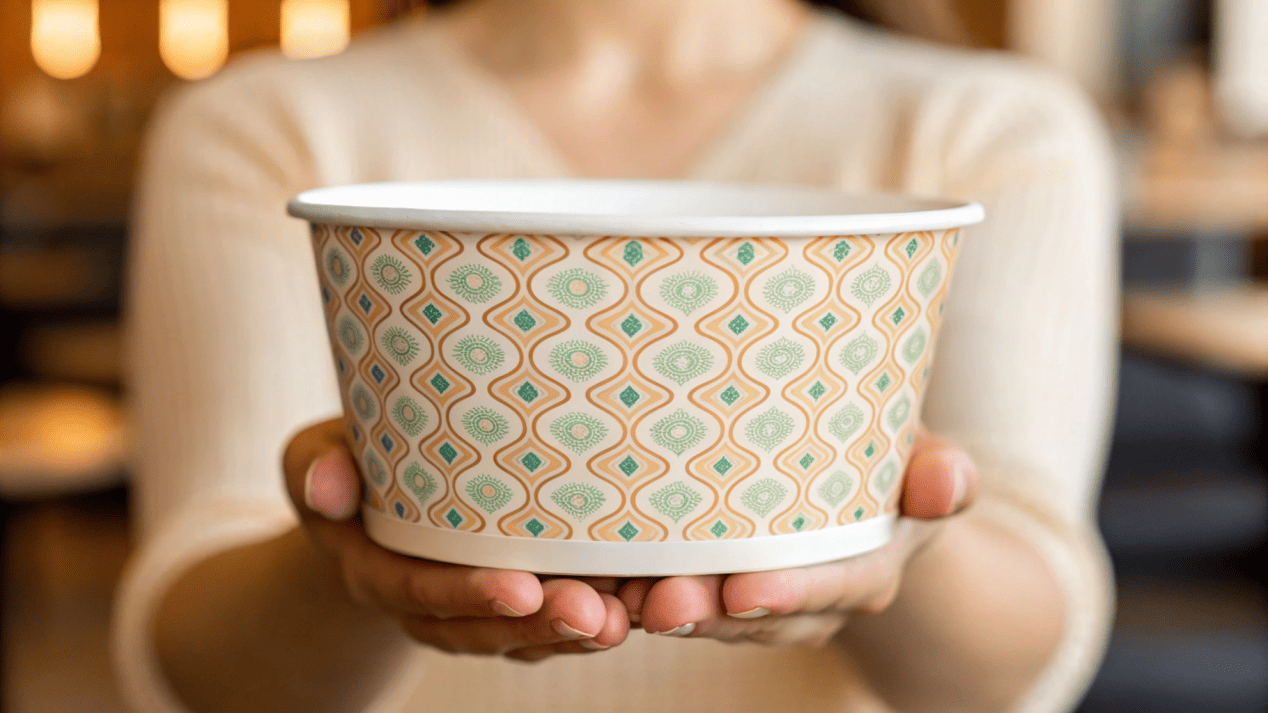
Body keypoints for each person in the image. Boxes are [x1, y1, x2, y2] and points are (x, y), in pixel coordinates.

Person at [116, 0, 1118, 711]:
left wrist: (892, 547)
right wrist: (339, 566)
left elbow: (1014, 665)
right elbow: (201, 673)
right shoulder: (262, 123)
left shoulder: (989, 126)